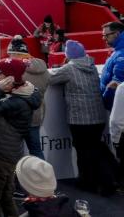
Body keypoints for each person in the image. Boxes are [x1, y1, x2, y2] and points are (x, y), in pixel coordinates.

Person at [49, 40, 117, 195]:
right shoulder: (91, 65)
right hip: (97, 116)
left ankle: (89, 182)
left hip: (80, 119)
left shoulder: (69, 68)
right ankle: (109, 179)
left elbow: (50, 79)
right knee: (95, 148)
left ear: (68, 55)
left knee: (84, 152)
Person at [0, 58, 42, 217]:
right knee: (5, 197)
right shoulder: (24, 91)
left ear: (10, 78)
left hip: (0, 155)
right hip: (7, 153)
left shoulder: (16, 101)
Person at [7, 36, 51, 159]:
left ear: (16, 53)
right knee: (36, 150)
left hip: (18, 116)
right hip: (36, 114)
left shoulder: (16, 70)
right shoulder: (42, 66)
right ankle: (42, 176)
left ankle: (17, 177)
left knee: (14, 152)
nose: (9, 58)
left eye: (10, 54)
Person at [102, 21, 124, 110]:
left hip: (117, 106)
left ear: (117, 34)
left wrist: (104, 99)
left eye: (106, 35)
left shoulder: (121, 54)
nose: (104, 38)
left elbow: (115, 84)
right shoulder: (118, 50)